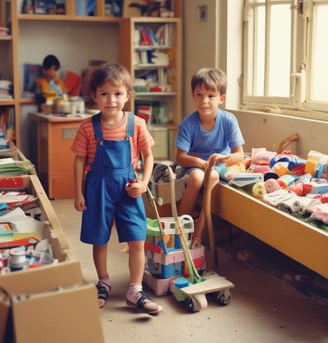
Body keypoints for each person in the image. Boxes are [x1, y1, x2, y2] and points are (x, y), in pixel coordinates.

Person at [71, 62, 163, 314]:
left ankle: (135, 290)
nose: (111, 100)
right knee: (99, 239)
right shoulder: (88, 127)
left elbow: (148, 156)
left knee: (137, 239)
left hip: (128, 189)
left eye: (118, 93)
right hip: (97, 188)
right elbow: (79, 160)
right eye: (104, 93)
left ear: (127, 95)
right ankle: (103, 283)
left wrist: (144, 183)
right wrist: (78, 192)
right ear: (94, 96)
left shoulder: (137, 124)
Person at [175, 67, 245, 248]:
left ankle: (198, 235)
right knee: (197, 177)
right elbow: (180, 157)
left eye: (210, 96)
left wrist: (223, 159)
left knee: (212, 176)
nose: (204, 101)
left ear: (221, 99)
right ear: (193, 96)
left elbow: (240, 154)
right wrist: (199, 162)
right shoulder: (188, 124)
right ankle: (179, 224)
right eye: (199, 95)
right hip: (195, 164)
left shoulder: (228, 120)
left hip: (219, 164)